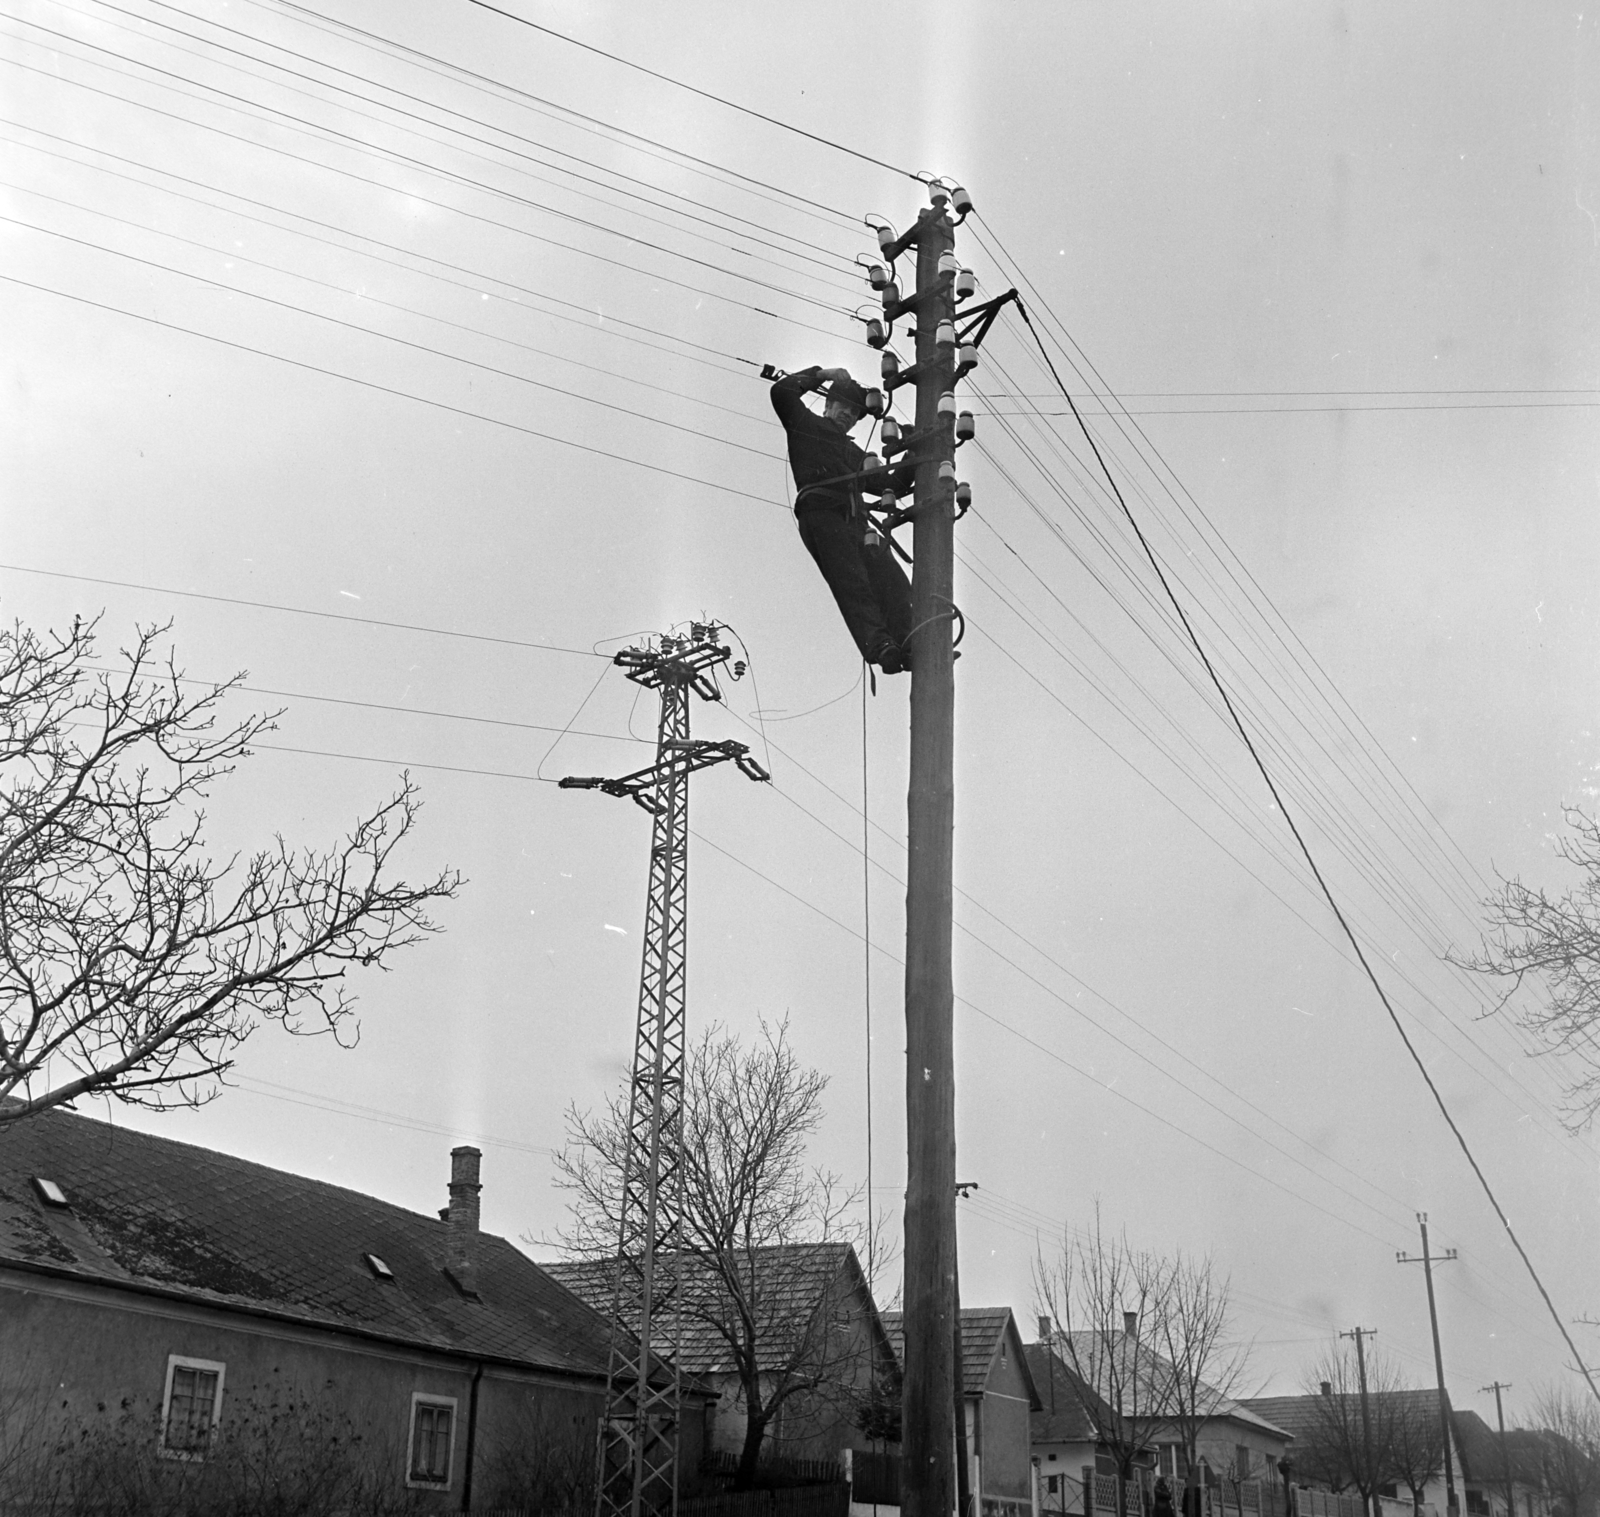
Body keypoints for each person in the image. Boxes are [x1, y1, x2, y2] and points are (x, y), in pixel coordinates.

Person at [770, 364, 913, 673]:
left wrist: (913, 451)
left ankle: (910, 641)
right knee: (854, 583)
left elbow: (892, 485)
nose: (848, 414)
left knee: (892, 580)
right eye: (843, 407)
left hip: (855, 522)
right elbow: (781, 392)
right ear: (827, 405)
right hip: (822, 515)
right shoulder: (805, 425)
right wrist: (822, 374)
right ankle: (881, 646)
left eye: (854, 412)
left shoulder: (853, 453)